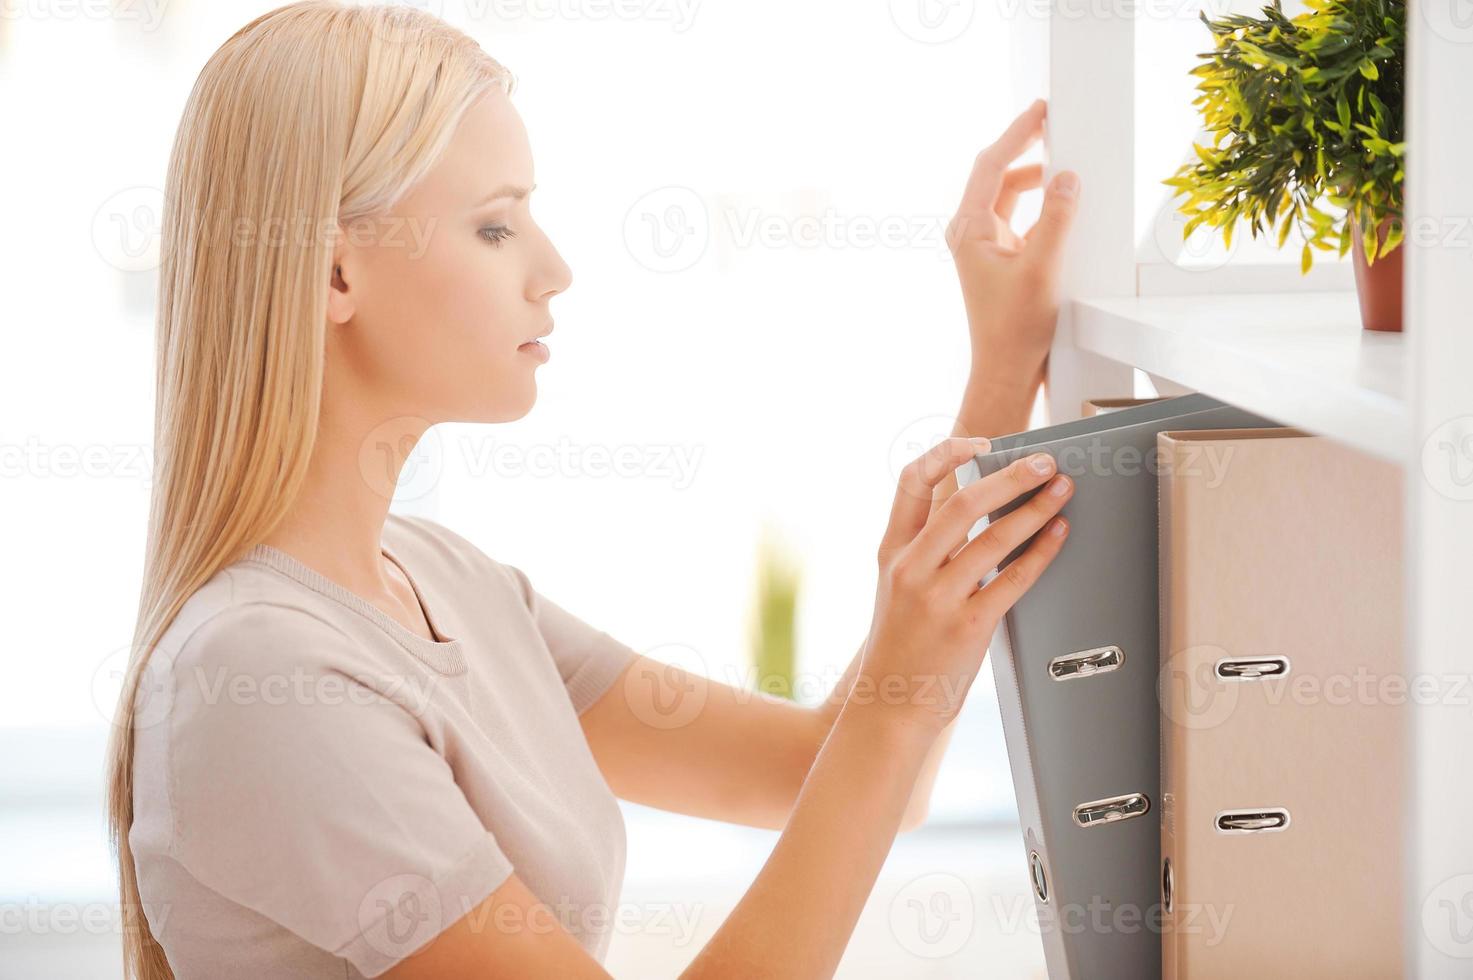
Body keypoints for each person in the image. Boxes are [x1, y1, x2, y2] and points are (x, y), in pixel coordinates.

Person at [104, 3, 1081, 978]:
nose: (555, 270)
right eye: (493, 225)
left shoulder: (451, 582)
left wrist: (1000, 372)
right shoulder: (262, 674)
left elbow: (832, 772)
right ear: (333, 271)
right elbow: (873, 748)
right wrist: (891, 715)